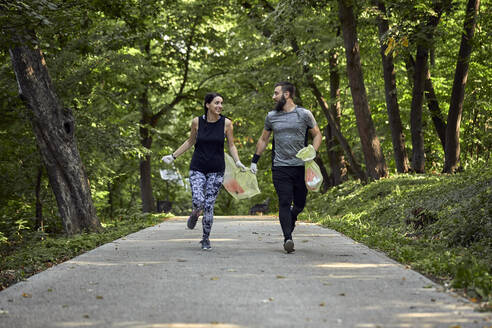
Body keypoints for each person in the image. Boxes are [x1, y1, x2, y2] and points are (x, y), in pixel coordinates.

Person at [162, 92, 246, 250]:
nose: (220, 106)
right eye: (216, 103)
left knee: (208, 205)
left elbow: (231, 145)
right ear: (207, 105)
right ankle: (195, 213)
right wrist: (173, 156)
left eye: (221, 103)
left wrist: (238, 162)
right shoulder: (197, 122)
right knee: (199, 201)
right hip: (197, 168)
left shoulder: (227, 124)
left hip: (216, 169)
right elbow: (190, 141)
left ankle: (205, 238)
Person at [250, 82, 322, 253]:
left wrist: (313, 151)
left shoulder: (304, 114)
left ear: (287, 94)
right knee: (284, 201)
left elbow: (317, 134)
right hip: (280, 166)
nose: (273, 96)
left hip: (301, 167)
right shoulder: (272, 116)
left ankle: (292, 217)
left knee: (299, 204)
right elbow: (263, 139)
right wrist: (254, 160)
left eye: (276, 93)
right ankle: (287, 238)